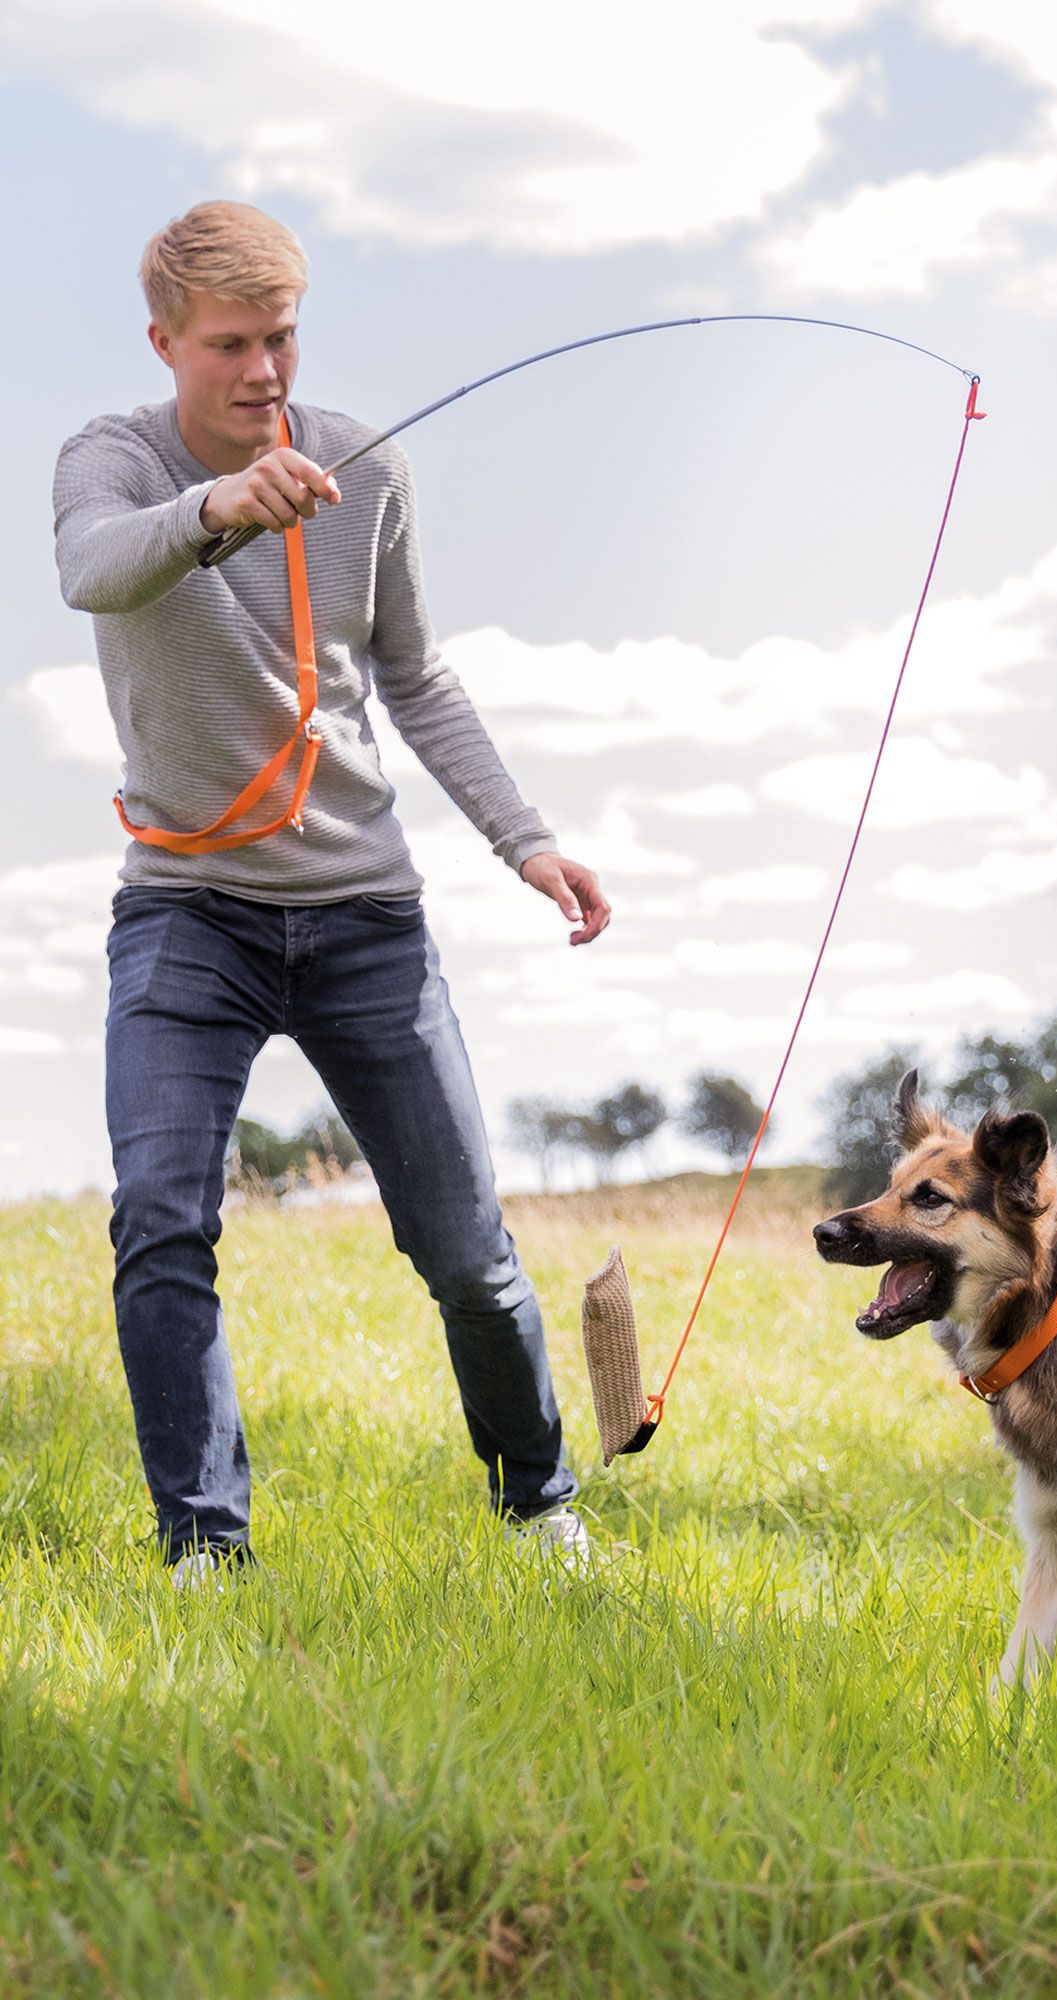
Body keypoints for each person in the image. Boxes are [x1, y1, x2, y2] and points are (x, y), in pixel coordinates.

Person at [53, 200, 610, 1583]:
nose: (262, 372)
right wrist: (218, 506)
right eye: (230, 343)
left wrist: (522, 839)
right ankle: (204, 1545)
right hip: (188, 912)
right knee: (162, 1220)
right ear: (165, 341)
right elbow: (89, 570)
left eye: (281, 338)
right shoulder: (112, 462)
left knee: (466, 1250)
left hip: (366, 914)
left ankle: (540, 1508)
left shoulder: (367, 466)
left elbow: (414, 673)